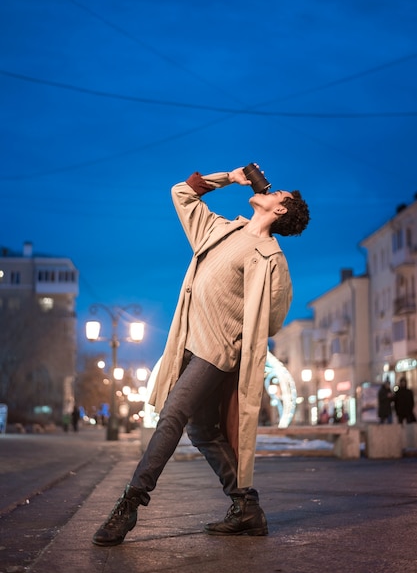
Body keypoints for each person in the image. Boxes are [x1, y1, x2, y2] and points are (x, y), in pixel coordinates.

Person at [92, 165, 310, 547]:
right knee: (201, 430)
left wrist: (235, 339)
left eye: (279, 194)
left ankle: (129, 506)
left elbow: (273, 317)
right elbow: (182, 193)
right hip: (187, 347)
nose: (270, 189)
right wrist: (230, 176)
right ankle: (247, 509)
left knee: (173, 415)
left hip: (217, 352)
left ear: (280, 211)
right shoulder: (220, 229)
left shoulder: (271, 258)